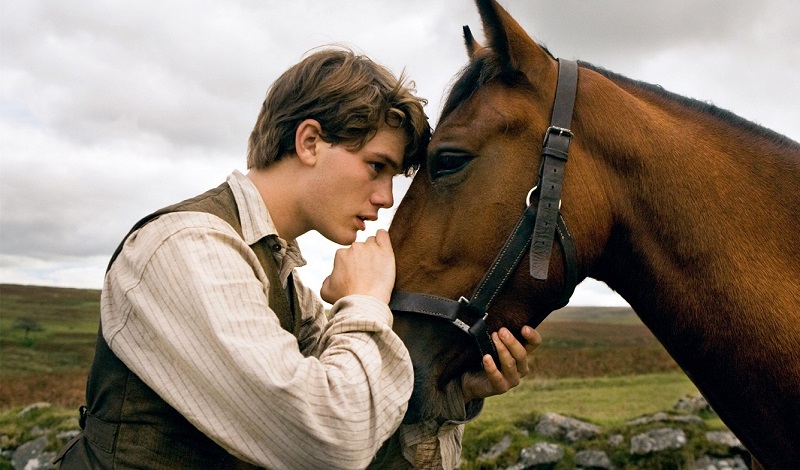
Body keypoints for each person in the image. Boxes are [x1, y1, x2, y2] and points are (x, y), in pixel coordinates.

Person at [55, 47, 541, 469]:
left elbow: (361, 432)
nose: (387, 197)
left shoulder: (281, 277)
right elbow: (331, 441)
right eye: (377, 167)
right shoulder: (185, 248)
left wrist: (452, 393)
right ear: (309, 142)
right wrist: (365, 301)